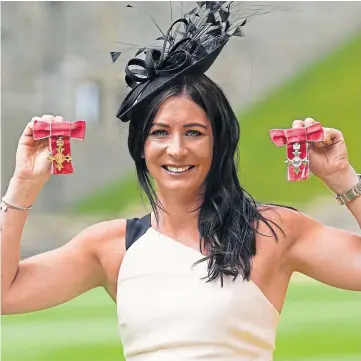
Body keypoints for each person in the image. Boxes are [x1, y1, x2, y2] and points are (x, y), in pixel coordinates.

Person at [1, 2, 361, 361]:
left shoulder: (271, 232)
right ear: (141, 146)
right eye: (160, 132)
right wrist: (24, 183)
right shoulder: (110, 247)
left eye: (194, 132)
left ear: (218, 141)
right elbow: (6, 294)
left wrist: (341, 177)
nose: (176, 149)